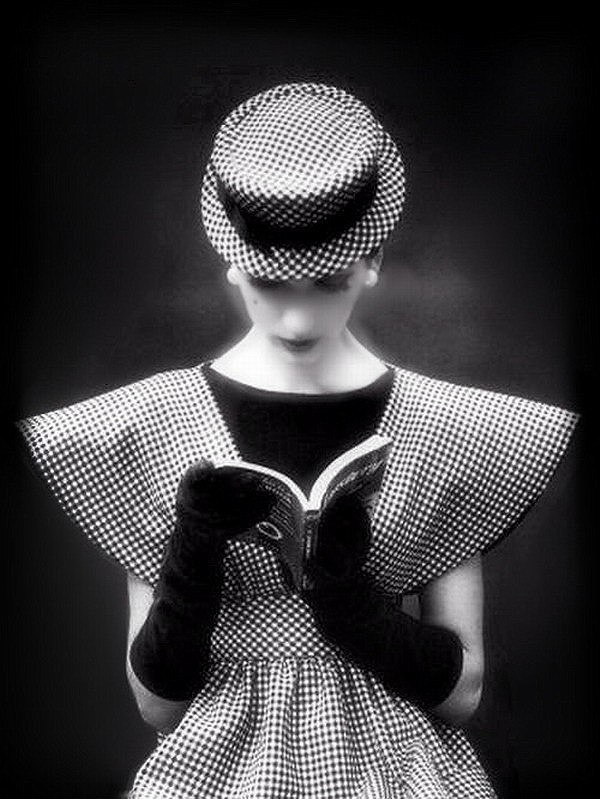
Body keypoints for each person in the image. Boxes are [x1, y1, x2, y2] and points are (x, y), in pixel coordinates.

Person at [16, 83, 579, 798]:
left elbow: (462, 695)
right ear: (231, 260)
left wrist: (351, 602)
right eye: (269, 282)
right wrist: (193, 550)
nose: (294, 319)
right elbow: (158, 708)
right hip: (215, 770)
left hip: (399, 773)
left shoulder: (452, 429)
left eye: (327, 281)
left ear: (372, 258)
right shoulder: (143, 427)